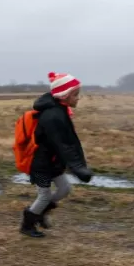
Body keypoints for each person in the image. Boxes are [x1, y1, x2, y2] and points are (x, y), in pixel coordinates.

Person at [20, 72, 93, 238]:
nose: (78, 98)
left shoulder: (60, 111)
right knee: (44, 195)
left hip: (53, 163)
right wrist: (78, 167)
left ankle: (39, 214)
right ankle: (28, 223)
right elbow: (64, 145)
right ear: (64, 95)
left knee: (65, 189)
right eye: (75, 94)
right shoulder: (53, 116)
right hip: (41, 165)